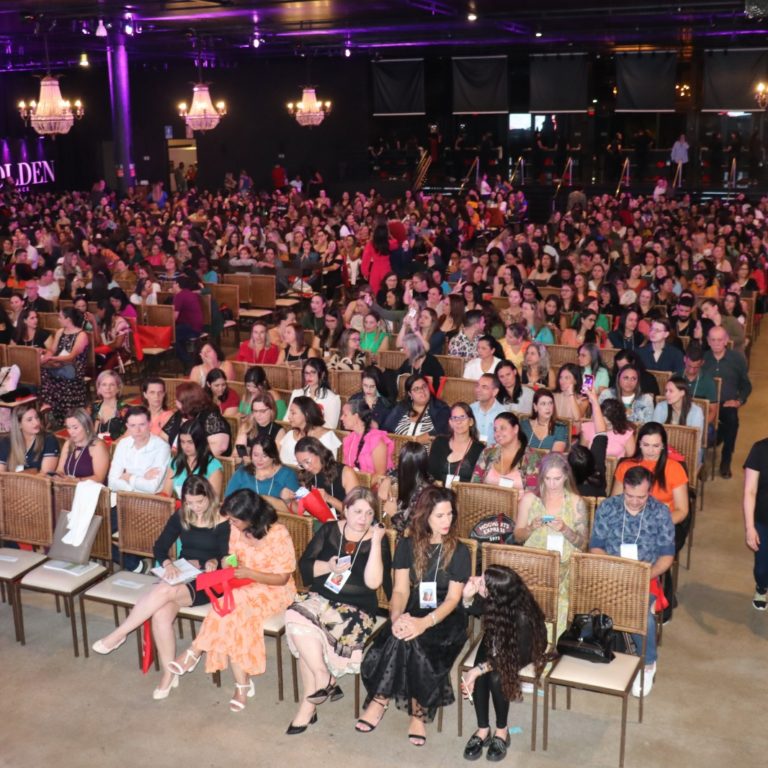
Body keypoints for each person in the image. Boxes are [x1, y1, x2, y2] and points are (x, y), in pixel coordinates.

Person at [91, 476, 229, 699]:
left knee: (166, 590)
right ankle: (168, 674)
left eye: (199, 502)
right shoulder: (182, 514)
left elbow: (229, 560)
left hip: (209, 581)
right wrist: (167, 563)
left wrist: (210, 562)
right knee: (160, 613)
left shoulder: (223, 521)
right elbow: (160, 546)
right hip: (184, 572)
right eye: (189, 503)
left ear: (210, 498)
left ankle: (119, 634)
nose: (195, 508)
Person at [357, 486, 471, 746]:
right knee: (399, 637)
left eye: (450, 515)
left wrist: (423, 623)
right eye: (440, 516)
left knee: (416, 643)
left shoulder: (459, 550)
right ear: (425, 516)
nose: (447, 521)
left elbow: (454, 599)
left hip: (446, 617)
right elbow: (399, 589)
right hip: (413, 608)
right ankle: (384, 701)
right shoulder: (407, 544)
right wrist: (397, 618)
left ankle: (410, 710)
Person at [168, 489, 296, 713]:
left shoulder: (278, 534)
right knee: (234, 615)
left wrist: (250, 573)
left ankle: (196, 650)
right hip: (243, 584)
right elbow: (231, 555)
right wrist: (228, 563)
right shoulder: (237, 530)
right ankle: (242, 685)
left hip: (274, 589)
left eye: (235, 519)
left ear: (251, 517)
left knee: (231, 604)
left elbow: (283, 577)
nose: (231, 523)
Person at [285, 488, 392, 733]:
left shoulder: (377, 539)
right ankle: (324, 677)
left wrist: (375, 542)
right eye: (357, 511)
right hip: (321, 598)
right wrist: (328, 565)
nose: (363, 518)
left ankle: (308, 707)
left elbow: (375, 583)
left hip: (356, 609)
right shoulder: (330, 530)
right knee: (295, 614)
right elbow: (305, 566)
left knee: (306, 636)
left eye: (368, 513)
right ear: (345, 509)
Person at [590, 466, 675, 697]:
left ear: (650, 491)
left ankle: (648, 663)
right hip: (610, 573)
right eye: (630, 496)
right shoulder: (608, 507)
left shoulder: (660, 512)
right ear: (623, 489)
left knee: (641, 614)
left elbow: (667, 556)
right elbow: (595, 546)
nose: (635, 501)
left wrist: (644, 574)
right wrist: (617, 570)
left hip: (646, 576)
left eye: (641, 496)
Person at [459, 565, 548, 762]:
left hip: (524, 648)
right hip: (499, 634)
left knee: (497, 676)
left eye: (481, 582)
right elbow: (474, 608)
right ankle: (483, 729)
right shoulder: (498, 600)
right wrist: (467, 597)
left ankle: (502, 730)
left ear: (494, 595)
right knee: (481, 667)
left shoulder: (523, 618)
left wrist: (478, 670)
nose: (474, 579)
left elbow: (513, 657)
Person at [515, 453, 588, 635]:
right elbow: (517, 536)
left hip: (564, 567)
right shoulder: (530, 500)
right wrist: (531, 527)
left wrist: (565, 529)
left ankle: (547, 645)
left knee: (558, 601)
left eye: (557, 478)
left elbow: (583, 544)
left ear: (566, 477)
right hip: (533, 563)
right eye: (547, 479)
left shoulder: (576, 503)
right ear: (542, 477)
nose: (552, 484)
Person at [108, 406, 172, 571]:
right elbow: (112, 481)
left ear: (150, 424)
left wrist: (128, 476)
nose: (137, 430)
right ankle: (134, 564)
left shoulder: (161, 447)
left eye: (142, 424)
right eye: (132, 425)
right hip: (121, 501)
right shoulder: (123, 444)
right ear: (127, 426)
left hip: (147, 504)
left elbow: (152, 487)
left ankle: (133, 561)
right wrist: (141, 476)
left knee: (97, 533)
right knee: (95, 531)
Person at [702, 325, 751, 478]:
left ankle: (726, 461)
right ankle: (700, 461)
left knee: (732, 421)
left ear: (726, 341)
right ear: (708, 341)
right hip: (707, 405)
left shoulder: (737, 359)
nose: (716, 343)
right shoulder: (703, 359)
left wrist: (738, 401)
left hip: (726, 403)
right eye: (713, 340)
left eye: (720, 340)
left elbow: (746, 384)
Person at [40, 307, 90, 424]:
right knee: (41, 370)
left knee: (54, 370)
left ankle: (50, 403)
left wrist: (52, 359)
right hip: (61, 363)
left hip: (74, 367)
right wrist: (47, 356)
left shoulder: (81, 335)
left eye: (60, 317)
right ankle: (49, 404)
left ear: (68, 319)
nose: (58, 319)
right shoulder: (60, 332)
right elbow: (52, 349)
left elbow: (72, 356)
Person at [291, 436, 358, 518]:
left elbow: (356, 512)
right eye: (301, 464)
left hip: (345, 522)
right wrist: (292, 500)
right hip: (320, 522)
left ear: (319, 453)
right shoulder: (306, 475)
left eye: (307, 461)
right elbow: (299, 511)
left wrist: (328, 498)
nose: (306, 467)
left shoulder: (345, 473)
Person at [378, 441, 434, 537]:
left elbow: (411, 532)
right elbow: (394, 471)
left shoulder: (425, 494)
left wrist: (393, 514)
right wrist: (387, 479)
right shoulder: (423, 478)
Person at [471, 412, 539, 491]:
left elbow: (533, 494)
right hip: (486, 502)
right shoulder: (488, 452)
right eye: (495, 430)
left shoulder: (531, 457)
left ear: (515, 429)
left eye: (502, 428)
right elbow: (474, 485)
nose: (497, 434)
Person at [163, 382, 232, 458]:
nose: (175, 401)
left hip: (203, 464)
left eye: (178, 400)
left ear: (189, 402)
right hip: (176, 460)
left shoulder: (210, 416)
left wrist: (191, 458)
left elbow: (220, 447)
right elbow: (162, 437)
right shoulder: (180, 414)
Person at [226, 433, 299, 504]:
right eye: (255, 455)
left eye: (264, 456)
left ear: (273, 456)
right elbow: (227, 500)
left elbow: (296, 509)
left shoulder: (287, 475)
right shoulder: (242, 473)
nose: (259, 460)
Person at [162, 420, 224, 500]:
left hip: (201, 510)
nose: (185, 446)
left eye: (190, 442)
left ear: (200, 441)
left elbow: (213, 500)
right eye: (182, 442)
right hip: (179, 508)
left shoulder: (213, 466)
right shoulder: (176, 462)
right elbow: (166, 493)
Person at [428, 402, 484, 489]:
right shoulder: (439, 442)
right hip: (439, 495)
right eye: (454, 418)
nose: (458, 422)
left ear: (471, 422)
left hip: (467, 498)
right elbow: (431, 475)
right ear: (450, 422)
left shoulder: (479, 449)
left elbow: (478, 484)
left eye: (462, 417)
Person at [382, 374, 450, 441]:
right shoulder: (401, 408)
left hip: (428, 451)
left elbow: (444, 431)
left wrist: (418, 439)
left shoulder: (440, 408)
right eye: (416, 389)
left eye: (424, 386)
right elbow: (385, 430)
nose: (422, 390)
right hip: (398, 450)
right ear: (410, 394)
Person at [278, 396, 342, 467]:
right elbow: (280, 461)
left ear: (306, 414)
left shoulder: (327, 437)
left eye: (293, 413)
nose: (289, 417)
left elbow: (330, 466)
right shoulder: (290, 435)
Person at [743, 437, 768, 610]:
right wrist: (750, 527)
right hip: (763, 519)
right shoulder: (760, 449)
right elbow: (750, 491)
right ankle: (761, 586)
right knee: (762, 567)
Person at [340, 399, 394, 478]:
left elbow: (380, 475)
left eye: (345, 415)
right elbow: (345, 469)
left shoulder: (377, 441)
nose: (341, 418)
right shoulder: (349, 439)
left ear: (356, 416)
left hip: (373, 487)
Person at [0, 404, 59, 474]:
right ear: (19, 425)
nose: (36, 422)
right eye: (29, 420)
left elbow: (45, 475)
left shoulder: (49, 439)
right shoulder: (6, 441)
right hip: (11, 483)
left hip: (37, 484)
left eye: (37, 418)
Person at [55, 408, 110, 482]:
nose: (71, 432)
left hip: (90, 491)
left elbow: (99, 478)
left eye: (75, 428)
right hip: (67, 490)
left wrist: (74, 480)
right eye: (68, 428)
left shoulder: (98, 446)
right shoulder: (68, 444)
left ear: (86, 426)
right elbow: (60, 470)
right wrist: (57, 476)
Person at [581, 388, 636, 458]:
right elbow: (583, 453)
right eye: (601, 422)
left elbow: (629, 456)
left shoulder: (626, 433)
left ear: (617, 422)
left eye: (609, 425)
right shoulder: (588, 428)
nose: (604, 427)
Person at [288, 358, 342, 430]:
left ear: (322, 374)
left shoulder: (332, 399)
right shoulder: (297, 393)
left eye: (313, 372)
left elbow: (330, 428)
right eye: (306, 373)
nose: (309, 376)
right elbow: (287, 419)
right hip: (297, 433)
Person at [172, 275, 204, 372]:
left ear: (177, 284)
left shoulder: (180, 295)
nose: (172, 286)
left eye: (173, 283)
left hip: (191, 328)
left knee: (172, 336)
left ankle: (188, 361)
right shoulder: (189, 293)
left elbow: (174, 317)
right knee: (177, 334)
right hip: (198, 326)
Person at [470, 373, 510, 446]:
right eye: (477, 386)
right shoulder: (470, 410)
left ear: (495, 392)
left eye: (484, 387)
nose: (478, 390)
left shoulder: (503, 414)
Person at [91, 370, 127, 442]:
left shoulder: (124, 409)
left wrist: (112, 446)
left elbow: (130, 434)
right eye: (104, 384)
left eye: (112, 384)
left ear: (118, 388)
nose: (108, 388)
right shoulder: (94, 408)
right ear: (99, 388)